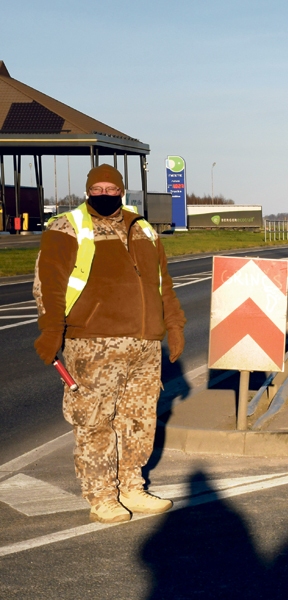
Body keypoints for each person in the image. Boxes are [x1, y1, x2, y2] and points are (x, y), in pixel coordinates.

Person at [33, 164, 185, 524]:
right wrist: (51, 330)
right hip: (92, 342)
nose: (104, 194)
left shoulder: (143, 229)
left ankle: (132, 486)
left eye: (111, 188)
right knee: (95, 421)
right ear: (88, 191)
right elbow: (49, 284)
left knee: (139, 419)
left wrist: (174, 324)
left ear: (121, 190)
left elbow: (164, 283)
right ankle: (102, 496)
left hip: (144, 344)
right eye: (97, 188)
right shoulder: (67, 226)